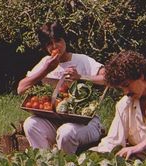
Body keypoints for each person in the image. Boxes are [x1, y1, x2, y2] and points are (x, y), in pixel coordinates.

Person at [17, 21, 105, 154]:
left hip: (86, 124)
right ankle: (44, 163)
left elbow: (107, 79)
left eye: (57, 40)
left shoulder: (82, 60)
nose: (54, 46)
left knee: (66, 132)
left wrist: (80, 76)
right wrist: (45, 70)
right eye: (49, 44)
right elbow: (21, 89)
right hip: (54, 121)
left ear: (65, 39)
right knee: (30, 124)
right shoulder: (46, 63)